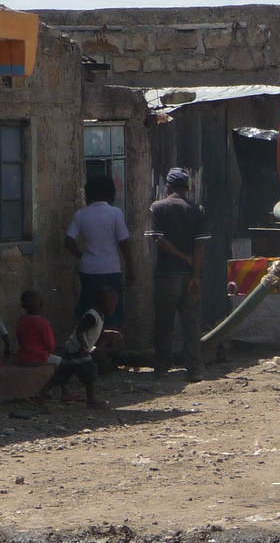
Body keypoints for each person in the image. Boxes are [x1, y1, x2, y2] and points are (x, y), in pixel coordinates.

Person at [146, 168, 210, 382]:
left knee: (164, 322)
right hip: (189, 275)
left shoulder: (158, 208)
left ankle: (162, 368)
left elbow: (159, 240)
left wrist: (182, 256)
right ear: (186, 188)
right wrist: (195, 275)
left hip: (166, 274)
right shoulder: (196, 210)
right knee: (191, 323)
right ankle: (195, 369)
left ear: (168, 186)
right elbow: (200, 246)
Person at [30, 286, 118, 409]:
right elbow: (80, 330)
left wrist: (109, 333)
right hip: (78, 350)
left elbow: (95, 331)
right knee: (90, 373)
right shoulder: (92, 316)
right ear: (104, 303)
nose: (114, 307)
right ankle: (91, 401)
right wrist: (82, 345)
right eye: (113, 303)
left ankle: (40, 395)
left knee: (61, 374)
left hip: (72, 348)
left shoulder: (99, 316)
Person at [65, 175, 133, 331]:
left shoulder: (81, 214)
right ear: (110, 192)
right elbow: (124, 243)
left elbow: (68, 241)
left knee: (90, 308)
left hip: (87, 270)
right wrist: (130, 268)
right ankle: (111, 347)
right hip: (110, 270)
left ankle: (89, 346)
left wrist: (81, 255)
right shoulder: (115, 213)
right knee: (112, 312)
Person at [16, 289, 78, 402]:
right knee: (63, 363)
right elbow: (50, 345)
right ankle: (65, 391)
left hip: (23, 357)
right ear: (41, 304)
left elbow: (19, 338)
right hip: (38, 357)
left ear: (23, 306)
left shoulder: (21, 320)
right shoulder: (43, 323)